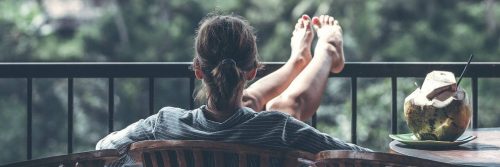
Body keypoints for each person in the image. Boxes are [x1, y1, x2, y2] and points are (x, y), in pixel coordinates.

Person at [96, 13, 371, 166]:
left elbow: (104, 148)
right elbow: (356, 158)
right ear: (253, 70)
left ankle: (300, 60)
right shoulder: (279, 129)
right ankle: (320, 52)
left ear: (197, 69)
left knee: (262, 107)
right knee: (280, 108)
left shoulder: (163, 124)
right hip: (264, 124)